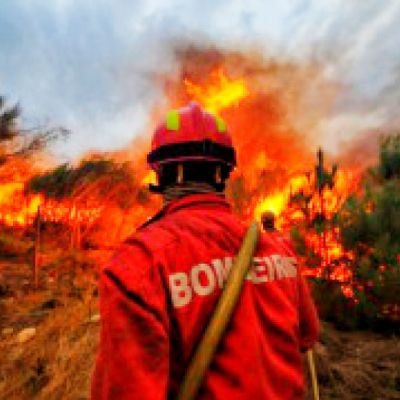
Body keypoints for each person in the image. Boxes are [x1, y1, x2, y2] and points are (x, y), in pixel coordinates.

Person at [91, 102, 319, 400]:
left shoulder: (140, 264)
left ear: (165, 173)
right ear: (223, 173)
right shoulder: (280, 250)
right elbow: (307, 336)